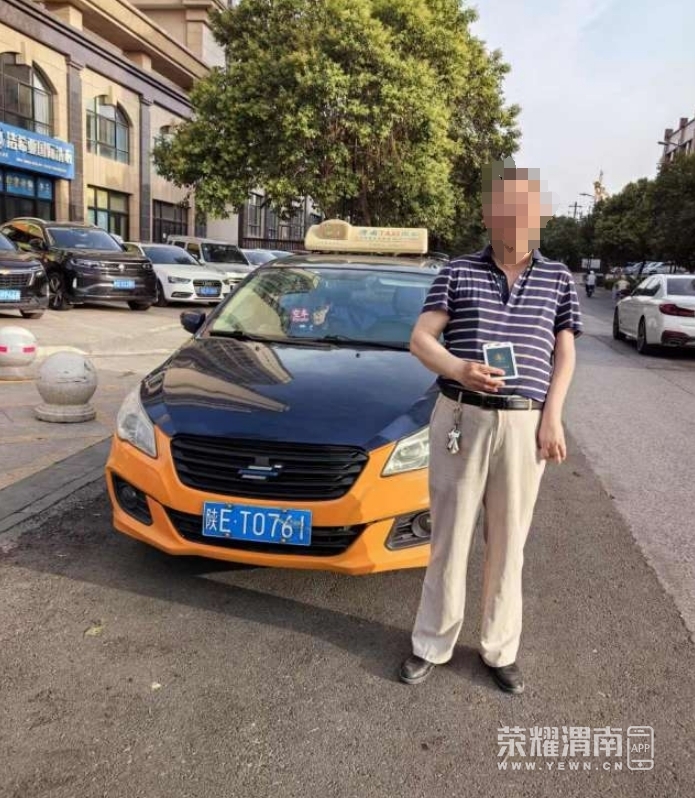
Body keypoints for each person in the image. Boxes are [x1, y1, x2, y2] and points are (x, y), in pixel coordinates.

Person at [399, 158, 582, 694]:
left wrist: (552, 416)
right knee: (449, 538)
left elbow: (564, 354)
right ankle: (431, 643)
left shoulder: (558, 278)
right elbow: (421, 339)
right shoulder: (457, 271)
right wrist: (458, 368)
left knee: (509, 543)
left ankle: (499, 648)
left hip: (525, 425)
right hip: (461, 416)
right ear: (489, 214)